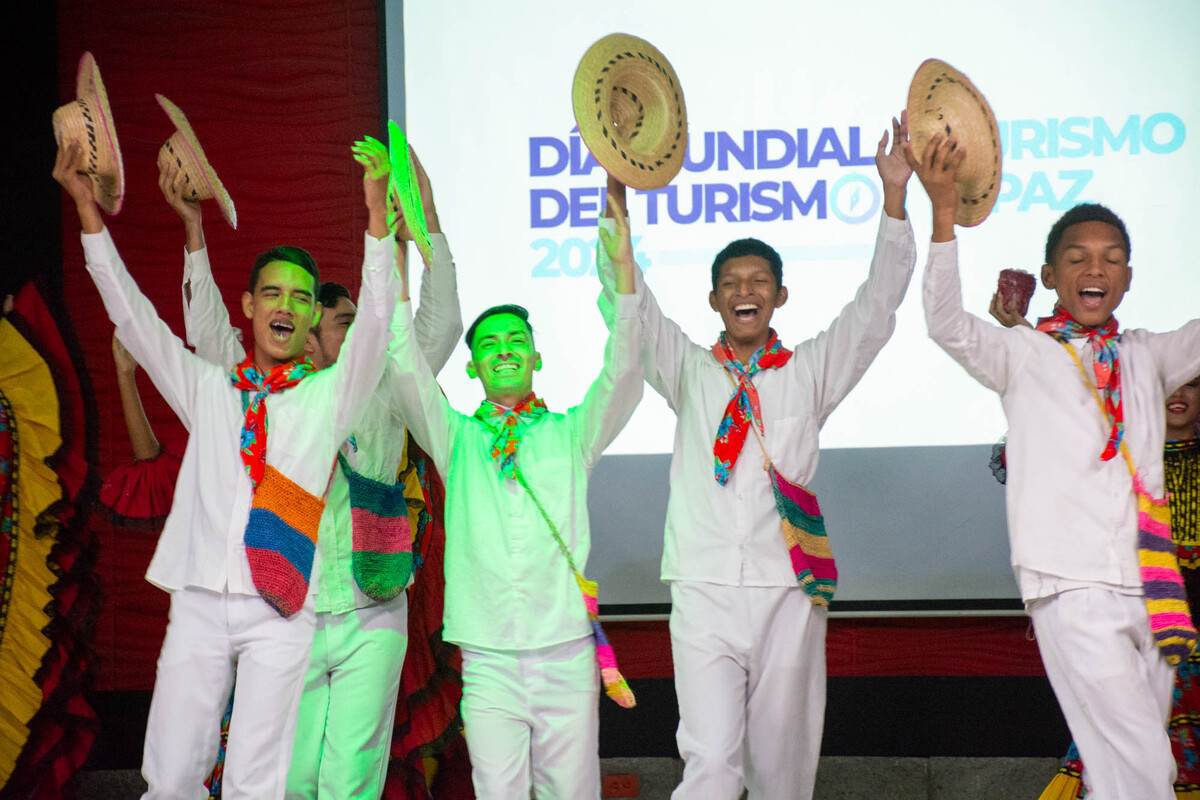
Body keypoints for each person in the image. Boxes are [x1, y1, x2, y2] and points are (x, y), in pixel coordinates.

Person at [54, 134, 399, 798]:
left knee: (256, 786)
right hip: (202, 602)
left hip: (281, 610)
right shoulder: (212, 389)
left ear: (309, 321)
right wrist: (87, 213)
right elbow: (133, 313)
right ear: (249, 308)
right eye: (273, 293)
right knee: (173, 777)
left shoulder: (327, 398)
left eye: (302, 299)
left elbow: (377, 326)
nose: (287, 306)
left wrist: (377, 216)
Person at [597, 114, 917, 799]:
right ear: (714, 299)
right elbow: (630, 301)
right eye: (732, 282)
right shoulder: (688, 369)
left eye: (760, 280)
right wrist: (614, 186)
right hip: (703, 585)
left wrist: (893, 199)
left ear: (779, 296)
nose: (746, 291)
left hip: (788, 588)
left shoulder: (807, 373)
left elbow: (875, 309)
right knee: (710, 762)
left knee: (783, 771)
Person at [160, 147, 463, 799]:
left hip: (369, 609)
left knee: (351, 777)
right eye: (344, 324)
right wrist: (193, 230)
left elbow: (439, 327)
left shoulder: (384, 389)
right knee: (287, 779)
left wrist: (427, 221)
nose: (360, 335)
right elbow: (209, 333)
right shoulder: (265, 396)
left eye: (362, 323)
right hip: (283, 609)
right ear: (308, 333)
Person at [919, 124, 1200, 798]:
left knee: (1117, 765)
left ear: (1129, 276)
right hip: (1067, 578)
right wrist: (943, 214)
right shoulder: (1024, 353)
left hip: (1153, 582)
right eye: (1077, 257)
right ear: (1050, 275)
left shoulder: (1147, 354)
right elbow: (946, 323)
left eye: (1111, 258)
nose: (1094, 269)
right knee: (1143, 759)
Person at [386, 191, 643, 798]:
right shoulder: (457, 439)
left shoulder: (571, 434)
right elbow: (403, 366)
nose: (503, 350)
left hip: (565, 653)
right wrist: (394, 258)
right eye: (489, 345)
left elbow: (626, 371)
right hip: (488, 656)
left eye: (515, 341)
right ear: (471, 367)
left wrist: (625, 274)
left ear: (536, 357)